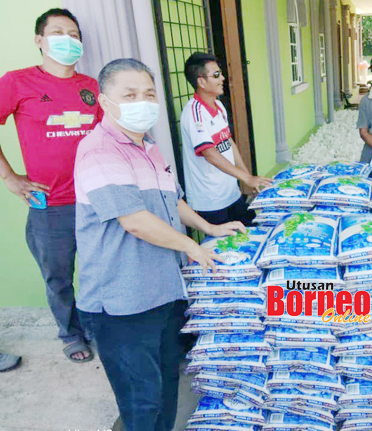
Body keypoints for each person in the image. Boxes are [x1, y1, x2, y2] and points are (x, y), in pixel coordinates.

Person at [74, 58, 245, 431]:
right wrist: (191, 246)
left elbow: (174, 201)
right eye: (130, 94)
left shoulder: (148, 145)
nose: (142, 101)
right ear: (105, 102)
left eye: (148, 93)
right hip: (122, 302)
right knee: (142, 398)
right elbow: (133, 220)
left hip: (164, 290)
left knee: (168, 383)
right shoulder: (100, 151)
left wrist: (208, 229)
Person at [0, 8, 102, 363]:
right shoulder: (18, 81)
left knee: (97, 271)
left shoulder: (92, 88)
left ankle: (95, 328)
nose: (69, 40)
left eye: (74, 34)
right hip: (50, 205)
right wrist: (10, 177)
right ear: (39, 40)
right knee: (58, 277)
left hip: (95, 202)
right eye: (59, 32)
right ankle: (71, 334)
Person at [181, 52, 272, 226]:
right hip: (211, 202)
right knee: (226, 249)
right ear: (201, 81)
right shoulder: (194, 113)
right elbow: (210, 154)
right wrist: (246, 179)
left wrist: (247, 177)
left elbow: (228, 142)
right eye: (216, 75)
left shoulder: (219, 106)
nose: (222, 78)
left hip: (232, 193)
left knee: (251, 232)